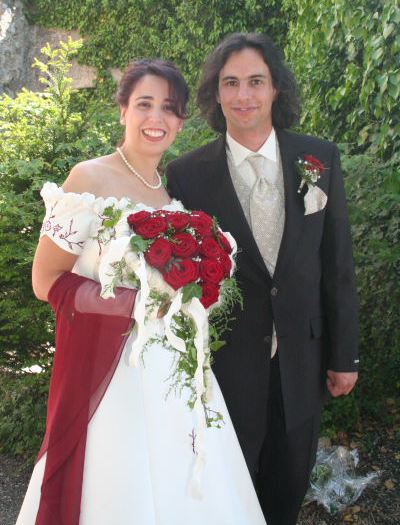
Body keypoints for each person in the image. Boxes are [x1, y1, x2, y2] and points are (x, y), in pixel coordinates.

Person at [17, 59, 267, 525]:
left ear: (181, 122)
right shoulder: (88, 179)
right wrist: (133, 304)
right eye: (144, 104)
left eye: (169, 108)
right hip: (113, 377)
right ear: (123, 111)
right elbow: (45, 280)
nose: (157, 118)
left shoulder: (170, 197)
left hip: (174, 371)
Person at [166, 33, 359, 525]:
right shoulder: (187, 174)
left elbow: (337, 264)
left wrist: (344, 356)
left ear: (276, 89)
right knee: (228, 493)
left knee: (288, 488)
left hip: (303, 359)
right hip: (226, 365)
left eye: (256, 81)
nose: (244, 95)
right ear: (216, 93)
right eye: (230, 83)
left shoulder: (318, 159)